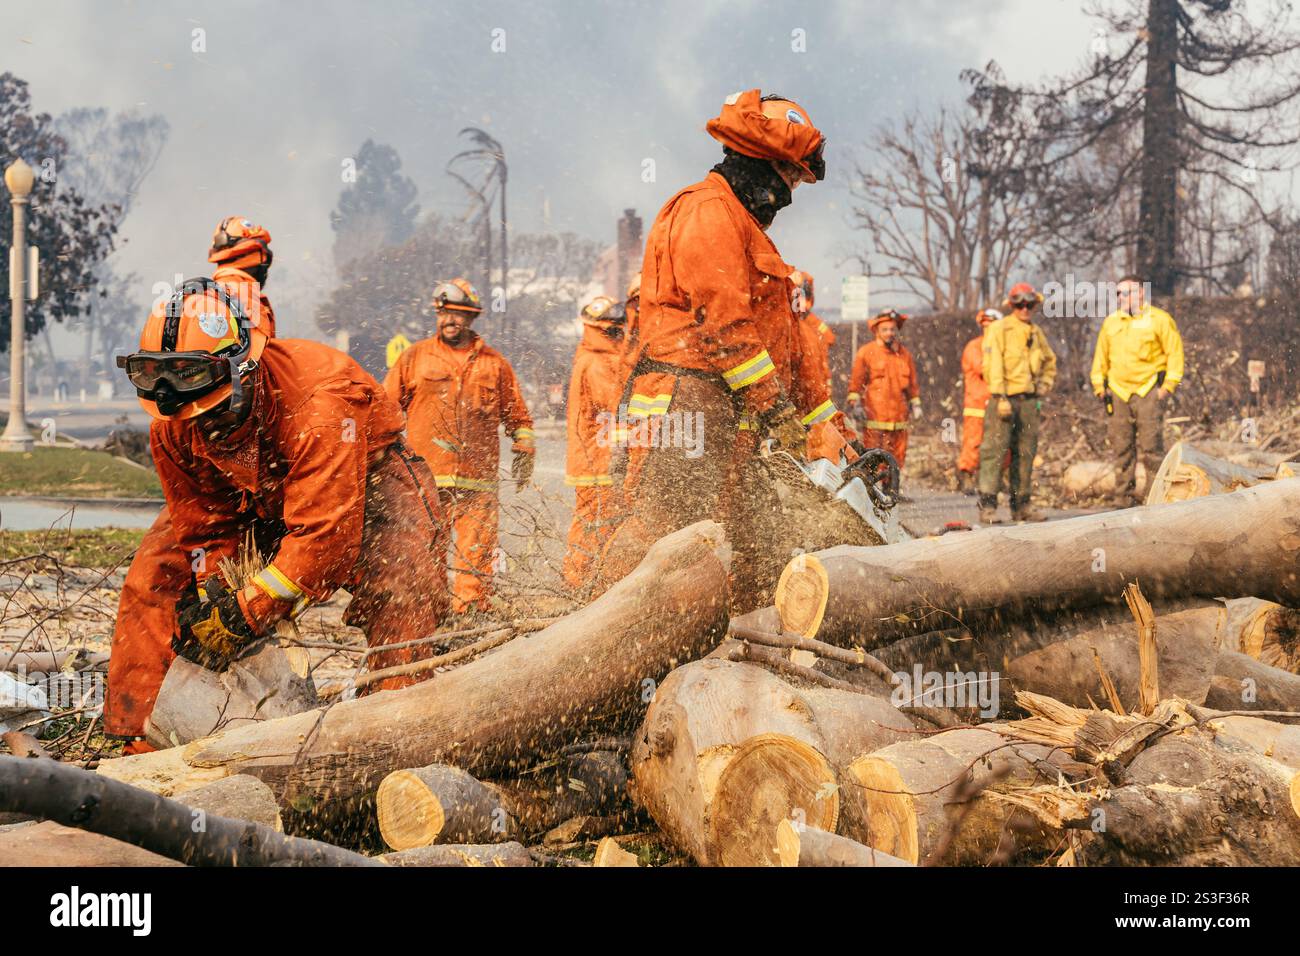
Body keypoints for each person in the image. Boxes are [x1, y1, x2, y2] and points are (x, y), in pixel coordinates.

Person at [112, 278, 449, 719]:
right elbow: (203, 523)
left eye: (214, 409)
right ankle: (146, 737)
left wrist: (247, 611)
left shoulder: (320, 403)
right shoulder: (175, 421)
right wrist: (213, 591)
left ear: (242, 371)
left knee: (401, 584)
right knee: (157, 574)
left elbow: (324, 541)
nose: (205, 425)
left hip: (367, 481)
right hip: (253, 491)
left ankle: (396, 725)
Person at [599, 89, 826, 588]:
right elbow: (725, 327)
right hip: (688, 398)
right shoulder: (708, 212)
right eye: (790, 177)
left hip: (726, 404)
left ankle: (739, 644)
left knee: (754, 537)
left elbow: (779, 343)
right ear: (763, 164)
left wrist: (822, 432)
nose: (789, 193)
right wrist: (775, 407)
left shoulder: (741, 223)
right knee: (668, 536)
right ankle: (602, 634)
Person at [104, 217, 277, 753]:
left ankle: (138, 736)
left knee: (156, 583)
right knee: (214, 590)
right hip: (240, 467)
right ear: (262, 258)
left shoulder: (206, 299)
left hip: (227, 469)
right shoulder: (246, 296)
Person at [383, 279, 535, 616]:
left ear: (472, 318)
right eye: (444, 313)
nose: (449, 320)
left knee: (476, 557)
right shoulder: (414, 358)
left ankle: (469, 620)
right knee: (425, 554)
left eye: (457, 314)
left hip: (477, 483)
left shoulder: (495, 365)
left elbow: (518, 416)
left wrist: (525, 448)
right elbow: (385, 410)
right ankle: (430, 618)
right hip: (425, 481)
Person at [1090, 275, 1184, 507]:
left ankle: (1154, 499)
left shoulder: (1159, 320)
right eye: (1119, 293)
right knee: (1122, 449)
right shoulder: (1111, 323)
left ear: (1142, 293)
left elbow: (1175, 354)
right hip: (1118, 393)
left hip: (1148, 390)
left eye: (1128, 292)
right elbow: (1100, 357)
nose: (1123, 297)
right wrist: (1099, 387)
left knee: (1152, 449)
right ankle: (1123, 498)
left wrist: (1167, 388)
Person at [978, 282, 1057, 523]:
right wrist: (1000, 396)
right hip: (1004, 399)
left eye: (1029, 304)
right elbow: (993, 364)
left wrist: (1044, 384)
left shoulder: (1035, 332)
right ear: (1012, 306)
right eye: (1019, 304)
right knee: (994, 452)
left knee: (1026, 453)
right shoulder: (1000, 329)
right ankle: (988, 505)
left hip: (1028, 401)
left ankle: (1021, 504)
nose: (1024, 308)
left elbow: (1049, 361)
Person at [562, 295, 626, 589]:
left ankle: (584, 583)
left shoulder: (590, 356)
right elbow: (617, 406)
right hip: (599, 462)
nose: (621, 335)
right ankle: (582, 585)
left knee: (594, 524)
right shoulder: (600, 363)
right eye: (615, 330)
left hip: (595, 460)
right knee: (597, 525)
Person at [847, 309, 920, 473]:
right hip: (875, 416)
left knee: (897, 455)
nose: (889, 333)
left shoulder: (904, 355)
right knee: (872, 455)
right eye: (885, 330)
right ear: (877, 331)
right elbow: (856, 382)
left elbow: (912, 385)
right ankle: (870, 489)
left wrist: (916, 405)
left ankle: (891, 490)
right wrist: (855, 404)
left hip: (899, 417)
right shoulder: (866, 352)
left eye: (892, 329)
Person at [957, 308, 1000, 494]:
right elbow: (984, 368)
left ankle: (996, 479)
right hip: (976, 404)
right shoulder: (974, 347)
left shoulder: (1000, 346)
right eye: (986, 326)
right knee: (973, 443)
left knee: (998, 443)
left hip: (996, 404)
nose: (988, 329)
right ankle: (967, 476)